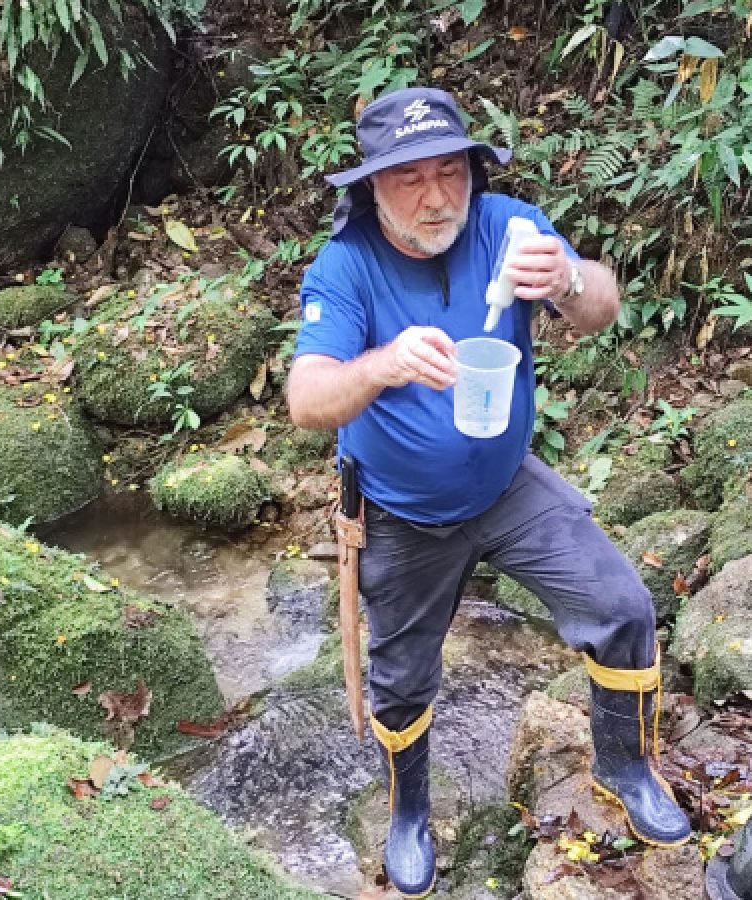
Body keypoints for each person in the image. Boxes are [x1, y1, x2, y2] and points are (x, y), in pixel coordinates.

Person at [287, 87, 690, 898]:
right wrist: (385, 363)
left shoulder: (511, 227)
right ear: (371, 187)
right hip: (399, 514)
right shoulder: (348, 263)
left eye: (450, 171)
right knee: (402, 681)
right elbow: (307, 399)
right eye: (409, 179)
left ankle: (626, 766)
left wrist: (570, 279)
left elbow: (603, 309)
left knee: (624, 608)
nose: (436, 196)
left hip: (507, 486)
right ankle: (409, 814)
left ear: (474, 171)